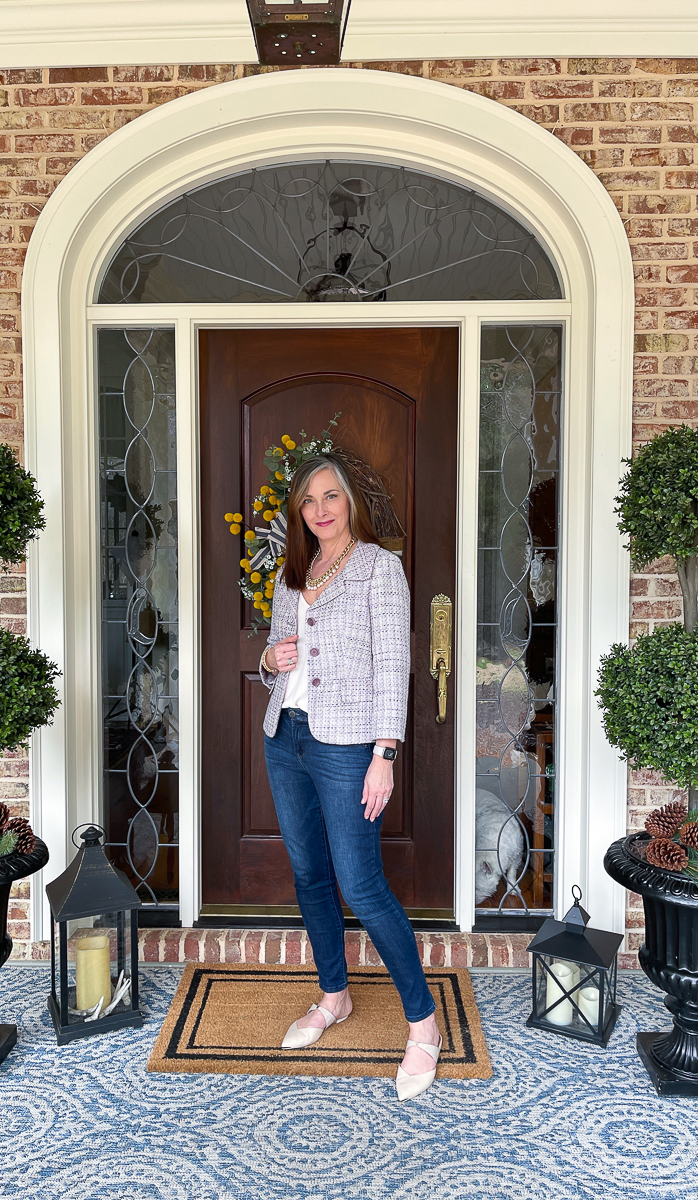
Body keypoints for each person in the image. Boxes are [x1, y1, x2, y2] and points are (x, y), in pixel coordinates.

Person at [259, 453, 441, 1101]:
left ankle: (423, 1023)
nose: (320, 509)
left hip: (348, 748)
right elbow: (276, 659)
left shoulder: (378, 569)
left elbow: (395, 666)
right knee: (309, 875)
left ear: (349, 503)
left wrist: (384, 756)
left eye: (330, 496)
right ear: (299, 513)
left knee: (361, 886)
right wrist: (267, 656)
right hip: (288, 739)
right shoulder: (293, 574)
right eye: (309, 501)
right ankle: (333, 996)